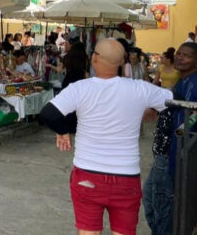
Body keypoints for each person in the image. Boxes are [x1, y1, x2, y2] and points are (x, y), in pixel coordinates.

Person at [39, 39, 173, 235]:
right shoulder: (141, 89)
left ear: (94, 58)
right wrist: (152, 110)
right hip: (126, 178)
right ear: (122, 62)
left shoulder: (80, 88)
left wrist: (63, 131)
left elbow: (48, 114)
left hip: (87, 175)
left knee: (88, 232)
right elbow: (176, 101)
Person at [143, 42, 197, 235]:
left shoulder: (195, 84)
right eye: (179, 53)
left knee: (164, 208)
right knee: (151, 200)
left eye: (187, 55)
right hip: (163, 154)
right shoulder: (183, 81)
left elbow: (192, 120)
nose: (180, 57)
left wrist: (178, 136)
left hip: (172, 156)